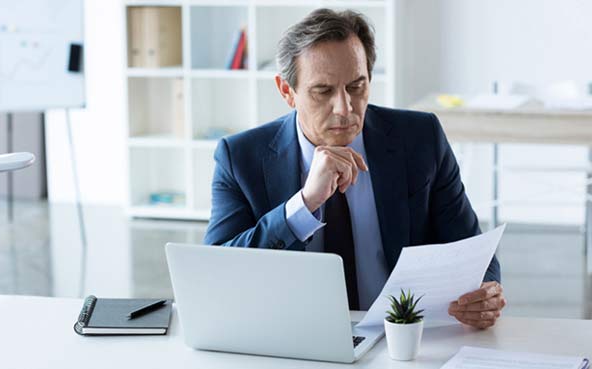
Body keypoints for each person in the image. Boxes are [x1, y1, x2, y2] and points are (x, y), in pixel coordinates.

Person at [204, 8, 506, 329]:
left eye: (356, 86)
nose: (345, 108)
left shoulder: (420, 138)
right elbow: (215, 273)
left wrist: (485, 293)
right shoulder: (240, 157)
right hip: (291, 336)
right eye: (323, 91)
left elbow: (473, 252)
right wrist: (304, 204)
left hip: (400, 339)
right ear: (286, 91)